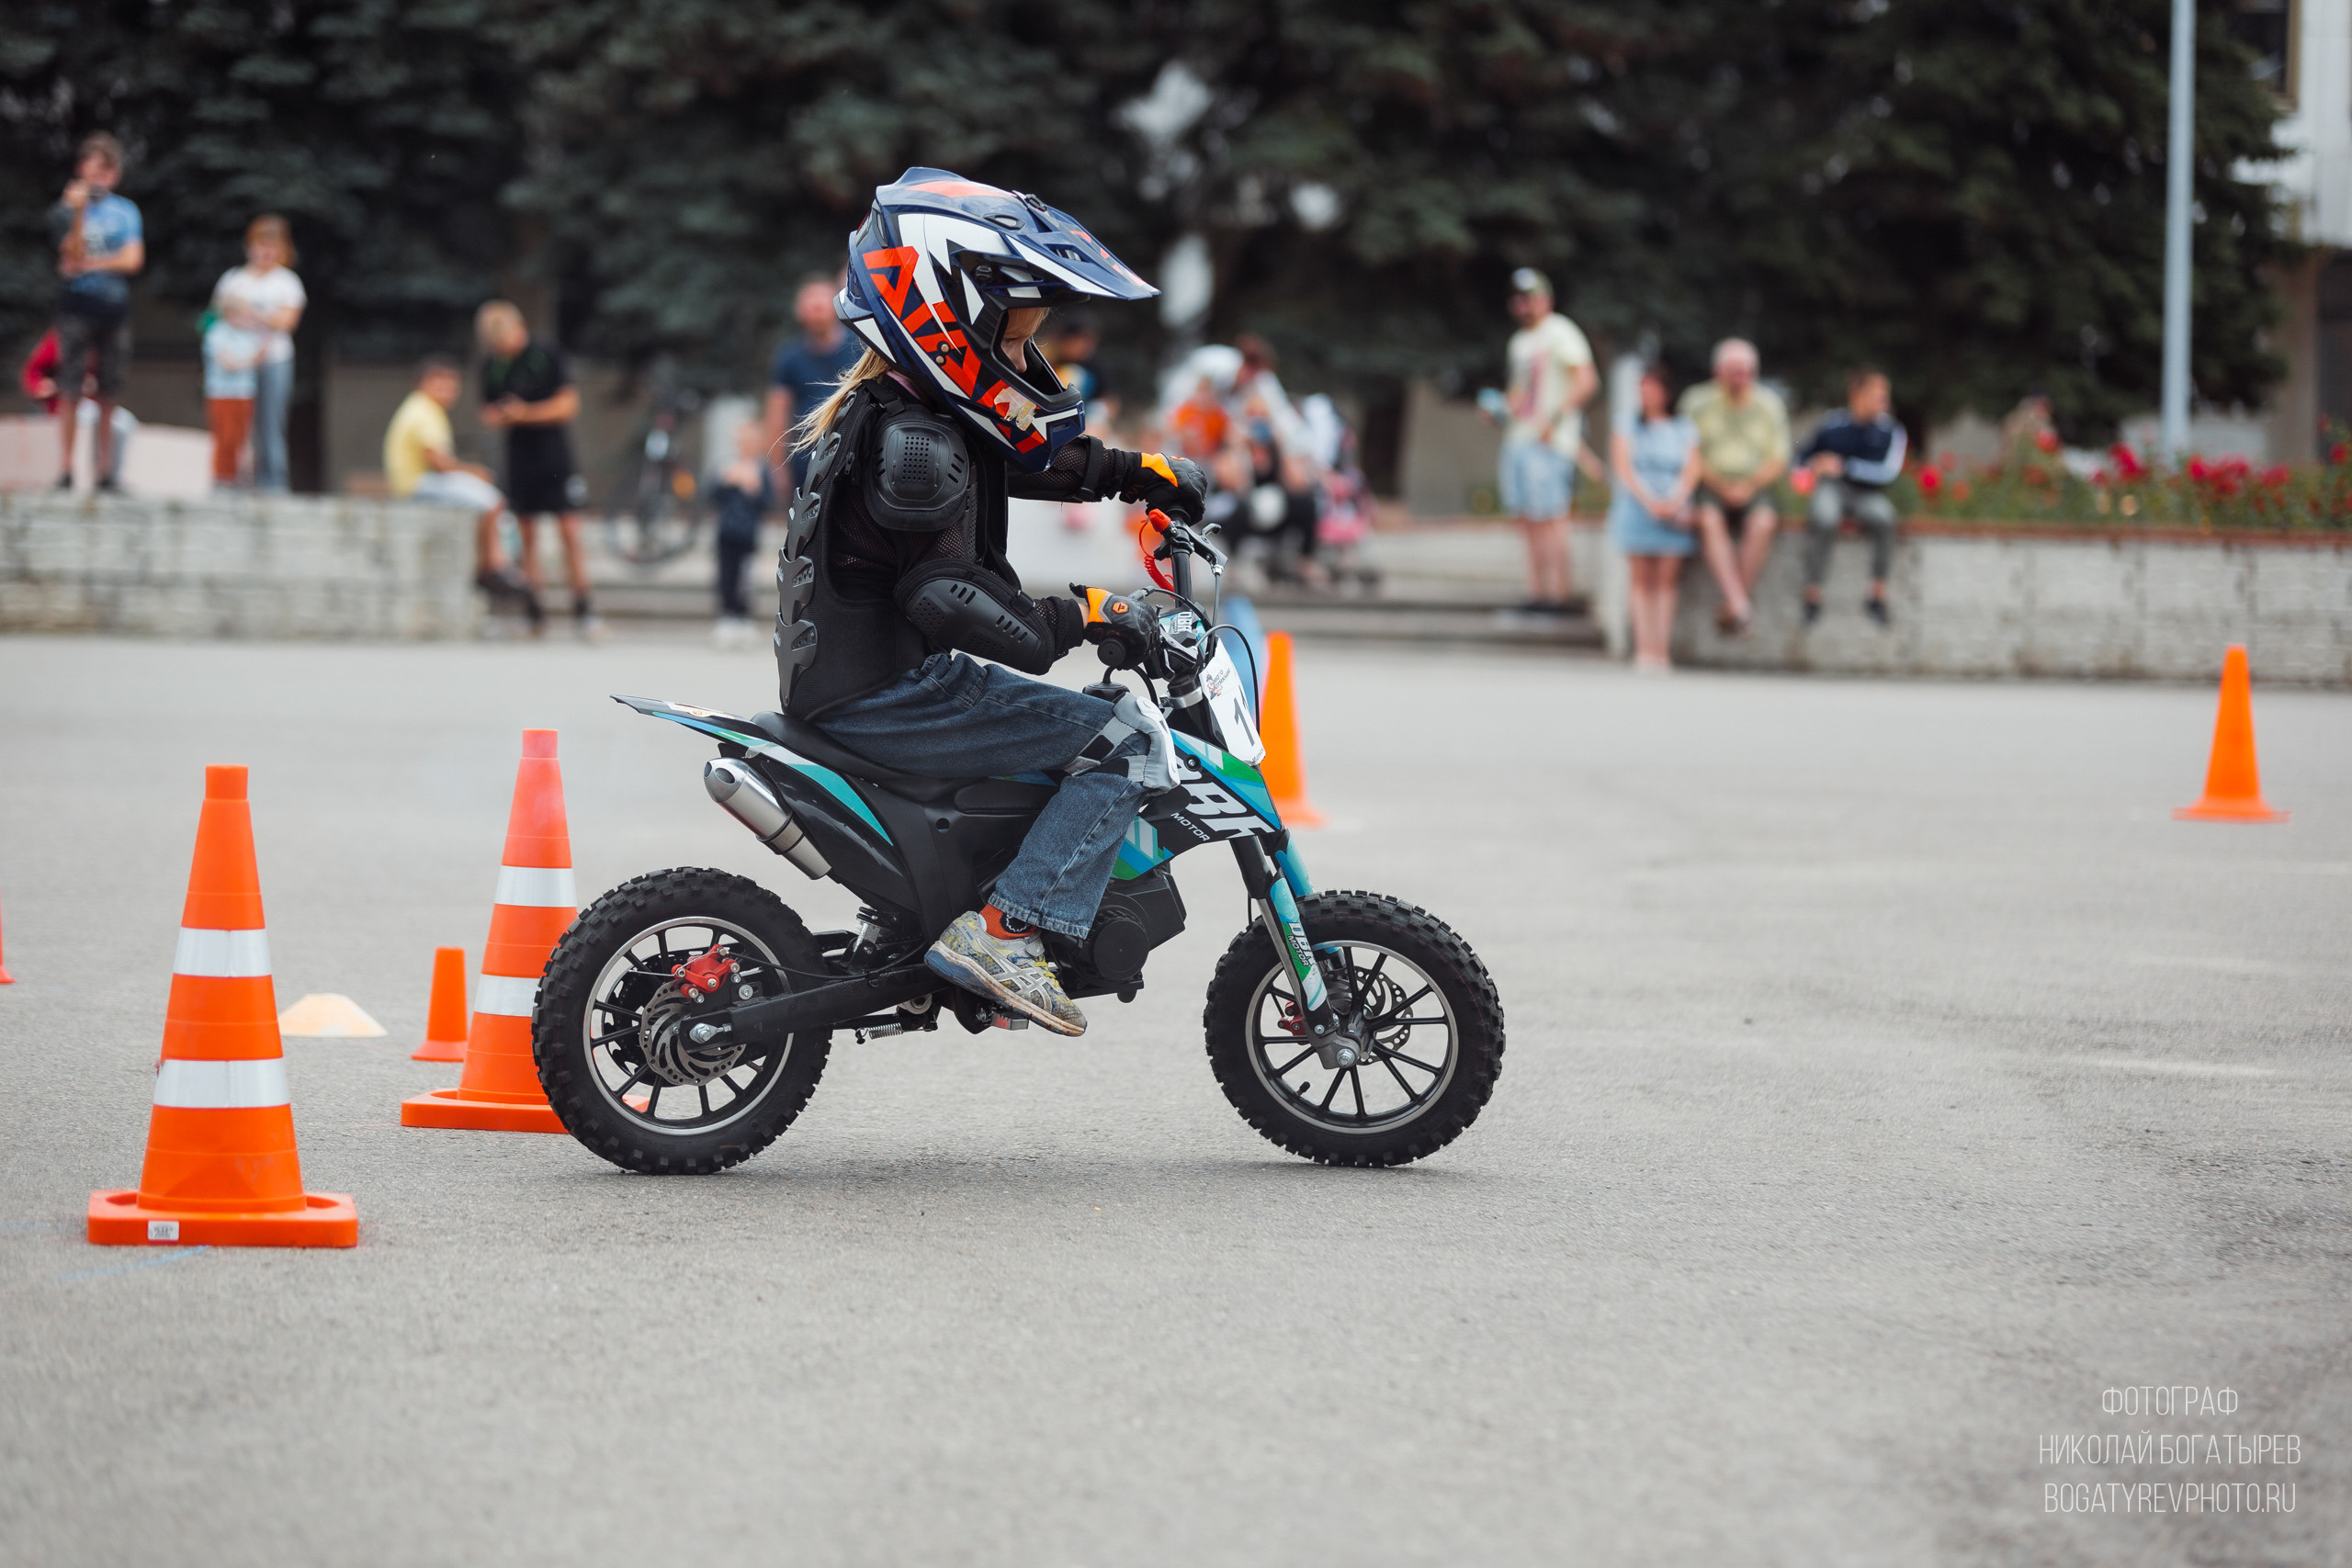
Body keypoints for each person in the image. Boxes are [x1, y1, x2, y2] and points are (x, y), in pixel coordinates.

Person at [786, 167, 1207, 1037]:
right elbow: (948, 596)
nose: (1026, 360)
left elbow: (1022, 458)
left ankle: (961, 902)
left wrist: (1141, 475)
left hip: (868, 681)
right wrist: (1088, 613)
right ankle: (1008, 930)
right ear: (949, 322)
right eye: (1016, 338)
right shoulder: (914, 440)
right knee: (1124, 739)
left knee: (1090, 721)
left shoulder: (914, 411)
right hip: (890, 694)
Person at [476, 300, 597, 638]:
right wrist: (500, 416)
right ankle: (534, 611)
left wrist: (524, 413)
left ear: (518, 329)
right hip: (519, 458)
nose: (504, 350)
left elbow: (568, 405)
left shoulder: (546, 352)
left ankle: (584, 608)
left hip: (555, 455)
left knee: (570, 531)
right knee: (526, 534)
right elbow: (486, 413)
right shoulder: (493, 364)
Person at [384, 354, 535, 618]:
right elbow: (440, 463)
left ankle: (495, 561)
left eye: (453, 384)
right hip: (417, 484)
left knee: (487, 496)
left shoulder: (421, 408)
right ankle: (493, 563)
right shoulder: (423, 411)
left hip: (419, 482)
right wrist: (474, 472)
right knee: (490, 499)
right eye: (442, 383)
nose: (448, 391)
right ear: (424, 383)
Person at [1489, 268, 1596, 614]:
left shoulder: (1561, 331)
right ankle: (1536, 592)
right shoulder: (1519, 342)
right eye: (1518, 298)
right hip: (1518, 438)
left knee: (1551, 516)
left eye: (1530, 297)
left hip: (1548, 440)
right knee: (1527, 517)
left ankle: (1559, 594)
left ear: (1545, 299)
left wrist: (1554, 417)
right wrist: (1500, 410)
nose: (1524, 304)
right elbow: (1520, 393)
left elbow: (1586, 382)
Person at [48, 132, 143, 492]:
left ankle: (106, 472)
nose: (99, 179)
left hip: (114, 310)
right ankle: (66, 469)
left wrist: (89, 263)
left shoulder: (126, 211)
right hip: (75, 310)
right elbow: (69, 255)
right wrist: (79, 212)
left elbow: (132, 260)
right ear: (81, 171)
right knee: (70, 389)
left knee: (109, 392)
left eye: (106, 172)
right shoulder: (62, 211)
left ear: (114, 175)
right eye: (94, 171)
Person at [1680, 338, 1791, 633]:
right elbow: (1687, 452)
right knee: (1708, 520)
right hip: (1709, 482)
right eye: (1733, 370)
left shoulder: (1769, 405)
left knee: (1764, 522)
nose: (1740, 377)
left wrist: (1747, 486)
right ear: (1718, 371)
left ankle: (1734, 602)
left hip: (1755, 484)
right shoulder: (1697, 402)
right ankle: (1740, 604)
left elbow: (1778, 459)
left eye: (1745, 370)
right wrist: (1720, 484)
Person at [1607, 364, 1702, 672]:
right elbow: (1624, 468)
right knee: (1640, 581)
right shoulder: (1626, 425)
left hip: (1672, 509)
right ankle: (1643, 649)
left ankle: (1661, 649)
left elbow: (1691, 469)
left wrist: (1673, 500)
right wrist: (1649, 500)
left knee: (1665, 583)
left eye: (1652, 386)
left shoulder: (1684, 428)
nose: (1646, 393)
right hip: (1638, 508)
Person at [1795, 368, 1908, 626]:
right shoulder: (1832, 423)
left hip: (1868, 492)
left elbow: (1888, 473)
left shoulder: (1890, 430)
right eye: (1876, 393)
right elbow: (1803, 456)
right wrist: (1811, 468)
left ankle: (1877, 595)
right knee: (1823, 517)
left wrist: (1845, 466)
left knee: (1885, 518)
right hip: (1832, 488)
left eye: (1884, 394)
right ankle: (1813, 594)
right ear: (1856, 394)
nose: (1883, 400)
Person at [209, 216, 306, 493]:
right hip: (236, 363)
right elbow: (217, 317)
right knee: (234, 423)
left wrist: (249, 313)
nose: (266, 252)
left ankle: (273, 483)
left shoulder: (286, 282)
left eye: (272, 246)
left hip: (274, 359)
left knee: (270, 424)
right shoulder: (233, 279)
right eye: (261, 245)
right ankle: (230, 480)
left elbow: (286, 321)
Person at [763, 274, 865, 498]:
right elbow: (776, 415)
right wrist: (777, 467)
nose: (816, 314)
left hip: (853, 456)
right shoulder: (788, 358)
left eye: (821, 307)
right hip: (805, 460)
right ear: (800, 312)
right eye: (811, 308)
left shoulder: (861, 350)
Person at [709, 418, 774, 649]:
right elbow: (712, 495)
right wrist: (727, 481)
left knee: (746, 579)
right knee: (726, 576)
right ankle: (726, 615)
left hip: (748, 535)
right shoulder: (727, 466)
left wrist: (752, 488)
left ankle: (743, 616)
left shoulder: (762, 470)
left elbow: (768, 502)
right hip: (726, 533)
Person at [200, 310, 265, 488]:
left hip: (243, 392)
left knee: (240, 437)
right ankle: (222, 476)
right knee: (225, 436)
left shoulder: (250, 336)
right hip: (221, 392)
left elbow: (260, 357)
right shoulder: (217, 334)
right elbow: (228, 364)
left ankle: (236, 476)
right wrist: (250, 361)